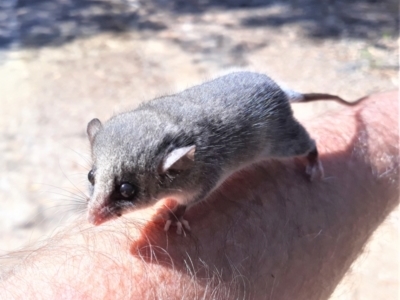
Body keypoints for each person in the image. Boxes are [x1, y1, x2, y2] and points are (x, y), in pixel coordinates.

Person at [0, 91, 398, 300]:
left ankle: (311, 151)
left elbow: (202, 184)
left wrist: (180, 206)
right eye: (94, 180)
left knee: (284, 140)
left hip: (257, 108)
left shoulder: (193, 168)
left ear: (173, 168)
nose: (97, 212)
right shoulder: (144, 147)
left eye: (124, 193)